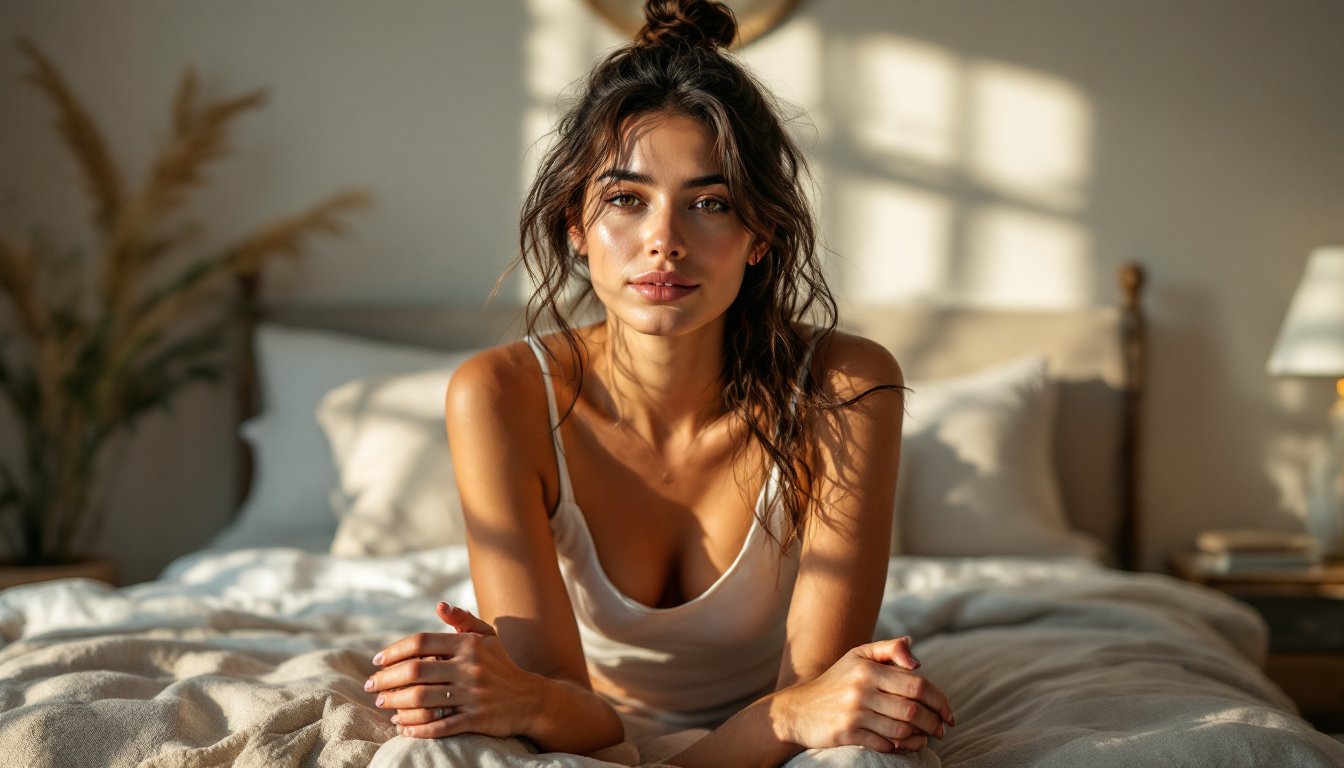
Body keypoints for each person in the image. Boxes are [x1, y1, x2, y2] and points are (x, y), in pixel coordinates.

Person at [364, 1, 955, 765]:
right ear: (575, 225)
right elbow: (562, 706)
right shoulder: (501, 394)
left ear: (760, 235)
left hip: (782, 727)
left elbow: (814, 698)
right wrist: (525, 698)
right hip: (593, 721)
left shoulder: (845, 384)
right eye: (625, 199)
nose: (665, 244)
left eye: (709, 204)